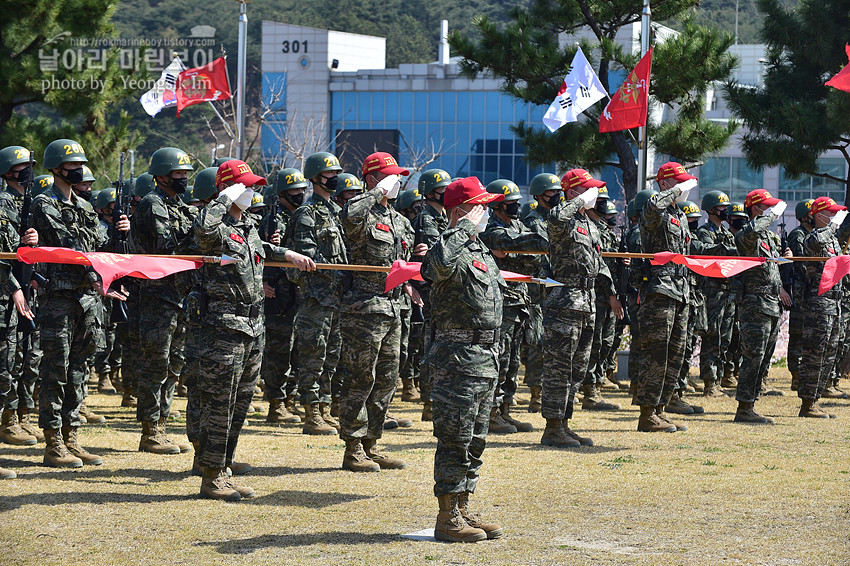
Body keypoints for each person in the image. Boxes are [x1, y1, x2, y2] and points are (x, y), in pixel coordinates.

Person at [193, 174, 315, 500]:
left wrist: (288, 254)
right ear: (229, 189)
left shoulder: (247, 226)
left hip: (253, 327)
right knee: (220, 403)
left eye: (252, 187)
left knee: (241, 404)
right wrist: (223, 197)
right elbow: (203, 231)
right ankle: (211, 475)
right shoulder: (214, 225)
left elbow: (262, 249)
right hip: (224, 328)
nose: (252, 192)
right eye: (245, 187)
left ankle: (224, 468)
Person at [34, 138, 128, 467]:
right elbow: (67, 245)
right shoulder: (43, 203)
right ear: (57, 167)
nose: (79, 170)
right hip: (58, 297)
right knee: (55, 370)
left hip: (86, 299)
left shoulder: (86, 207)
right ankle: (53, 442)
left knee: (78, 369)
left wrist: (118, 233)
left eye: (80, 165)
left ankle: (72, 436)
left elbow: (101, 247)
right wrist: (95, 257)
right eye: (73, 166)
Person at [421, 176, 505, 543]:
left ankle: (464, 504)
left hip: (484, 356)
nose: (486, 211)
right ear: (461, 212)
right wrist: (463, 228)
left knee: (476, 440)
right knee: (455, 438)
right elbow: (434, 268)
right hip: (456, 359)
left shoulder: (479, 249)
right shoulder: (448, 246)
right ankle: (447, 516)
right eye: (480, 206)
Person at [336, 151, 418, 472]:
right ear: (371, 178)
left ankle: (372, 442)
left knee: (386, 378)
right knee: (360, 377)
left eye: (398, 176)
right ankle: (352, 446)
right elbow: (350, 214)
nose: (397, 181)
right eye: (390, 176)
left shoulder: (401, 221)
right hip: (363, 307)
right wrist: (375, 192)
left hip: (393, 305)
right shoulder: (360, 213)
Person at [636, 162, 733, 433]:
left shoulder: (678, 215)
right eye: (679, 183)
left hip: (680, 293)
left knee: (674, 357)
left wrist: (725, 250)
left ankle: (660, 409)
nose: (686, 188)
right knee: (656, 355)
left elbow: (693, 247)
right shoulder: (654, 210)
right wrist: (676, 189)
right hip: (659, 292)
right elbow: (653, 208)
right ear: (665, 184)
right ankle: (647, 415)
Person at [540, 169, 622, 448]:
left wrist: (611, 292)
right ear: (573, 192)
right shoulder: (562, 219)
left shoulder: (588, 223)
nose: (595, 195)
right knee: (559, 367)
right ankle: (552, 427)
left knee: (577, 368)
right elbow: (555, 217)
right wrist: (577, 200)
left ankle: (565, 424)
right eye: (589, 190)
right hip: (564, 301)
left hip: (586, 301)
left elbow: (598, 263)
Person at [128, 146, 197, 455]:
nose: (184, 178)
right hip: (158, 295)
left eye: (185, 174)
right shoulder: (153, 204)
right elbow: (167, 246)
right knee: (156, 363)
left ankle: (162, 424)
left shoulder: (180, 205)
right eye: (178, 174)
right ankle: (150, 430)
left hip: (179, 295)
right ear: (162, 176)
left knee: (173, 364)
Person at [287, 151, 347, 435]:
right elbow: (307, 254)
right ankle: (311, 413)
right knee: (313, 354)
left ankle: (324, 407)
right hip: (316, 297)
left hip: (337, 297)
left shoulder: (337, 212)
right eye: (329, 174)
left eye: (336, 173)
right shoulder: (306, 214)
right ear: (315, 178)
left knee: (332, 355)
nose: (334, 178)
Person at [480, 178, 545, 433]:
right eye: (510, 204)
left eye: (517, 203)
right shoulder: (490, 228)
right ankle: (492, 412)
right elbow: (510, 244)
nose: (515, 207)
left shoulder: (518, 225)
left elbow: (532, 256)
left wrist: (516, 252)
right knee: (499, 358)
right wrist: (519, 250)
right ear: (496, 206)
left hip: (521, 301)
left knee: (513, 361)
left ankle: (505, 410)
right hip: (501, 302)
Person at [730, 189, 791, 424]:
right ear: (756, 208)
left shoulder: (767, 237)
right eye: (768, 207)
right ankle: (744, 407)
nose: (773, 211)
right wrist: (771, 215)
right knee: (753, 356)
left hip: (771, 303)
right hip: (754, 305)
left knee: (764, 357)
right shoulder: (749, 233)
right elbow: (748, 235)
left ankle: (751, 403)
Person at [257, 167, 309, 425]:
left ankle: (288, 399)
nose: (300, 194)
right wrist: (263, 282)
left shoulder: (301, 217)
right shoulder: (271, 220)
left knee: (296, 350)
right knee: (279, 350)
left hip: (295, 293)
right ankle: (276, 404)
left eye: (302, 189)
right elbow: (260, 255)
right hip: (277, 293)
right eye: (294, 191)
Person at [0, 145, 43, 445]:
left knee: (28, 356)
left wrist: (34, 241)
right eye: (21, 166)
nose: (27, 170)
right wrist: (14, 287)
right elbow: (3, 256)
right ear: (7, 171)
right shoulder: (2, 204)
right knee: (8, 358)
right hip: (7, 291)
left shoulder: (32, 203)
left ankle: (21, 414)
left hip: (29, 288)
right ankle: (8, 418)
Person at [797, 196, 850, 418]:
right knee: (815, 353)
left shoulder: (833, 240)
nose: (835, 216)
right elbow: (814, 243)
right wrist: (836, 225)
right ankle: (807, 402)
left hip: (835, 302)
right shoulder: (813, 238)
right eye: (831, 213)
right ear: (819, 215)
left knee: (830, 352)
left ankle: (817, 398)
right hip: (819, 303)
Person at [412, 168, 451, 421]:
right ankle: (429, 403)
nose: (446, 192)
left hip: (440, 290)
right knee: (430, 348)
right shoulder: (426, 219)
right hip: (428, 291)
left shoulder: (442, 217)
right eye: (442, 189)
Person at [521, 173, 561, 412]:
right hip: (537, 290)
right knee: (537, 342)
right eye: (551, 192)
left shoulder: (557, 218)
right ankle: (536, 394)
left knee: (550, 342)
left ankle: (546, 389)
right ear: (539, 195)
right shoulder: (535, 221)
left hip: (553, 287)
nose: (556, 196)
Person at [696, 190, 737, 396]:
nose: (725, 210)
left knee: (725, 337)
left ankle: (719, 379)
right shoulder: (704, 232)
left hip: (727, 290)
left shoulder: (728, 234)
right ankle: (709, 382)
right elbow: (709, 253)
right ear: (712, 209)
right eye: (722, 207)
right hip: (712, 291)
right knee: (712, 337)